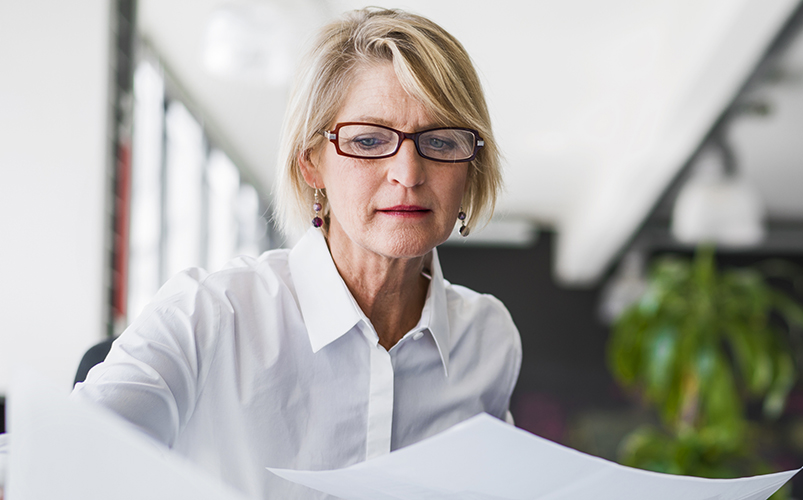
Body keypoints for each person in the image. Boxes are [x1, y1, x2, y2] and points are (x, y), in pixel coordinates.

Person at [0, 8, 520, 500]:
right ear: (311, 165)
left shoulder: (488, 340)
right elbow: (53, 462)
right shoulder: (207, 314)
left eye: (443, 142)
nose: (408, 173)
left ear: (471, 165)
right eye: (367, 141)